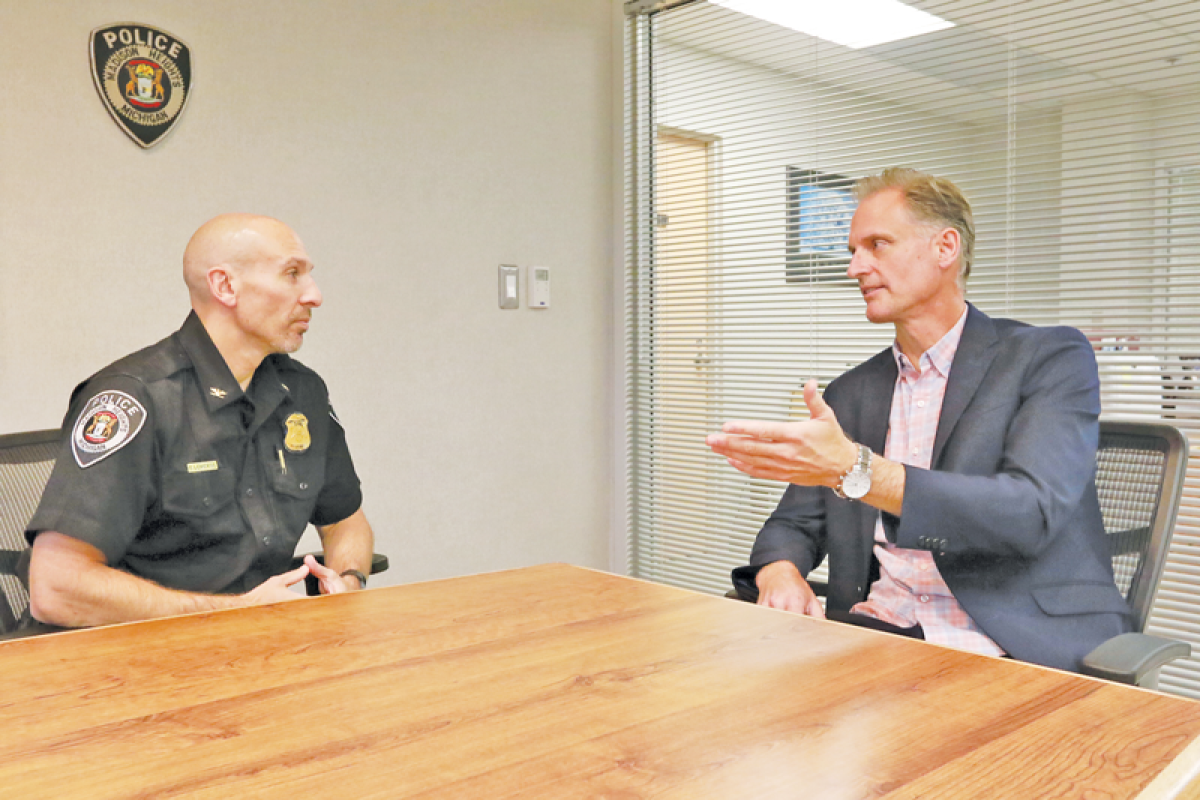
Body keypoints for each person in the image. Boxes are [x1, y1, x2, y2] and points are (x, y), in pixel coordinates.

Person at [706, 168, 1131, 672]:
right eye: (852, 251)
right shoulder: (851, 392)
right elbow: (793, 523)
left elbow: (1030, 511)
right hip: (882, 632)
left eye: (877, 245)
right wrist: (779, 573)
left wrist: (858, 471)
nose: (855, 268)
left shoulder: (1047, 358)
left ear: (945, 249)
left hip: (1012, 646)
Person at [24, 214, 377, 629]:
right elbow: (57, 588)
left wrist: (347, 582)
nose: (314, 296)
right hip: (129, 658)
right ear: (225, 286)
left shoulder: (302, 393)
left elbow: (345, 522)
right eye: (291, 274)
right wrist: (234, 612)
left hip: (258, 646)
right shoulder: (135, 398)